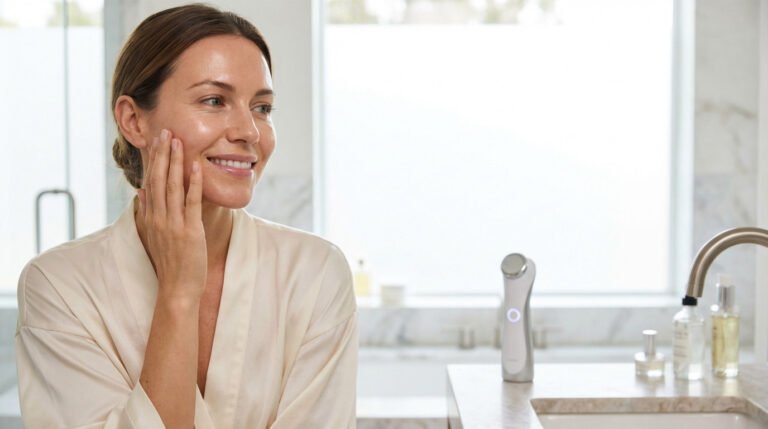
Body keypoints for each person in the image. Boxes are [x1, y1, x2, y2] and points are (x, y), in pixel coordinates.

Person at [15, 4, 357, 428]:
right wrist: (178, 293)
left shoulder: (314, 273)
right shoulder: (59, 287)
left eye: (262, 108)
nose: (249, 131)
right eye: (214, 100)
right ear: (133, 120)